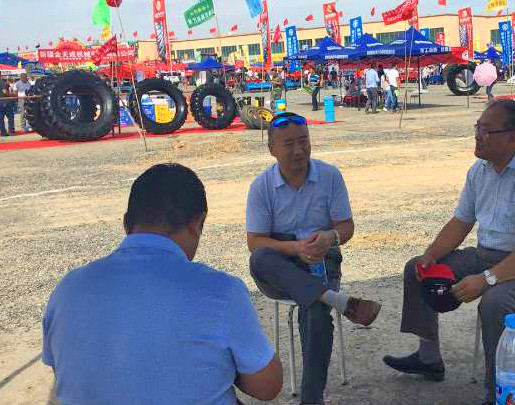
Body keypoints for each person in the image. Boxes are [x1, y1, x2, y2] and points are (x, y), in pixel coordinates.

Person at [42, 163, 283, 404]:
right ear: (197, 224)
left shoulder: (67, 289)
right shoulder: (221, 291)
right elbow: (267, 386)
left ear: (126, 224)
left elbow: (61, 371)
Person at [383, 99, 515, 405]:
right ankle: (429, 357)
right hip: (486, 255)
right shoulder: (479, 170)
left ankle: (499, 394)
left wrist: (486, 280)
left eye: (486, 130)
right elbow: (461, 222)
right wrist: (431, 255)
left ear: (513, 137)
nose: (478, 136)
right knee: (417, 268)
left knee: (497, 302)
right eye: (477, 128)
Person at [247, 112, 382, 405]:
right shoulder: (261, 186)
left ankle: (311, 399)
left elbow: (346, 227)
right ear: (271, 149)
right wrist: (296, 248)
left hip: (322, 259)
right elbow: (255, 241)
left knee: (316, 312)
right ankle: (335, 299)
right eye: (289, 144)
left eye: (304, 141)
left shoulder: (330, 176)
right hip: (281, 265)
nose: (298, 150)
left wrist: (329, 237)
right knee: (260, 258)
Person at [0, 72, 16, 137]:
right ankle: (11, 131)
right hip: (5, 101)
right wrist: (12, 95)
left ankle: (3, 132)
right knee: (10, 117)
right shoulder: (2, 82)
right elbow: (4, 92)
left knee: (1, 119)